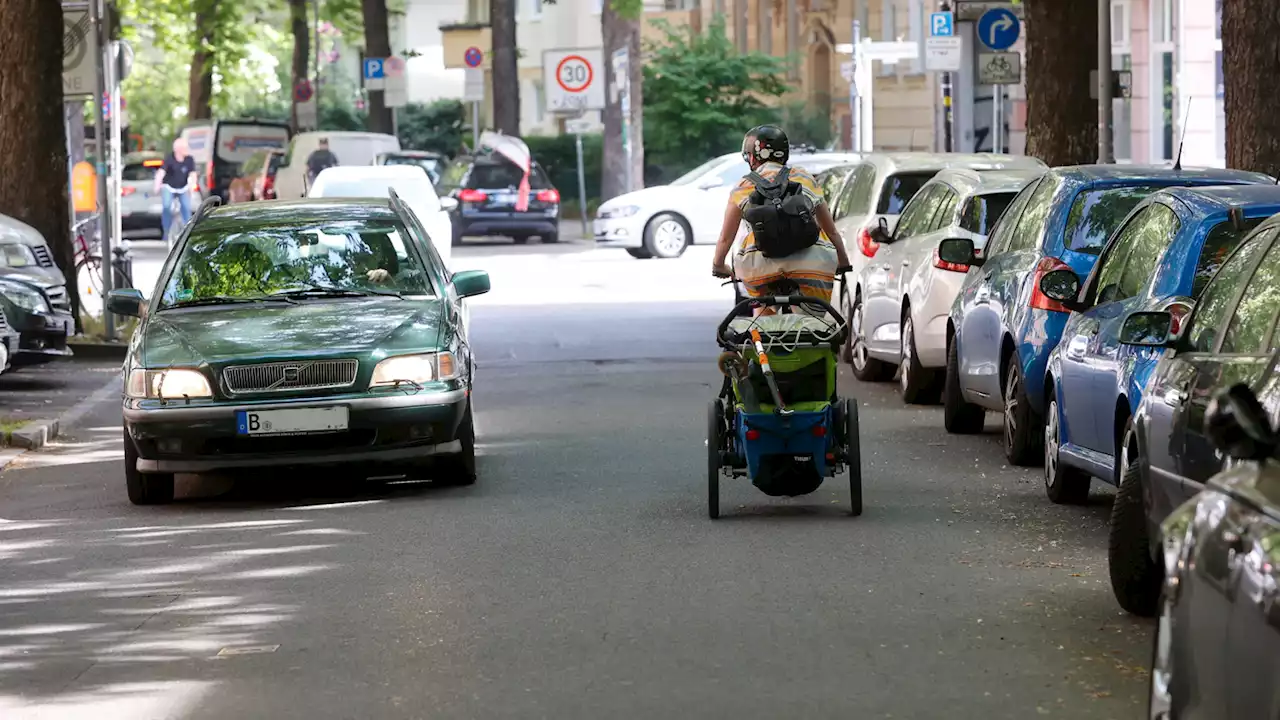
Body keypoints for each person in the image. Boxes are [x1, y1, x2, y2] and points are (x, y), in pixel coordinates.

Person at [711, 125, 852, 316]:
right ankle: (810, 333)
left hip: (759, 267)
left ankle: (763, 333)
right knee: (811, 325)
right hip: (810, 265)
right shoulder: (805, 178)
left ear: (753, 157)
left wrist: (719, 266)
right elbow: (831, 231)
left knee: (762, 305)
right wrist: (843, 262)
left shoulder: (743, 186)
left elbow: (725, 239)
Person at [154, 138, 198, 245]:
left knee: (186, 208)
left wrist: (192, 187)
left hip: (183, 187)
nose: (187, 150)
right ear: (178, 149)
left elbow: (193, 174)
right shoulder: (170, 158)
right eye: (185, 148)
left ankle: (188, 231)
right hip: (169, 187)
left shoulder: (189, 159)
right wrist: (157, 185)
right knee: (167, 206)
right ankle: (166, 230)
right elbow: (161, 172)